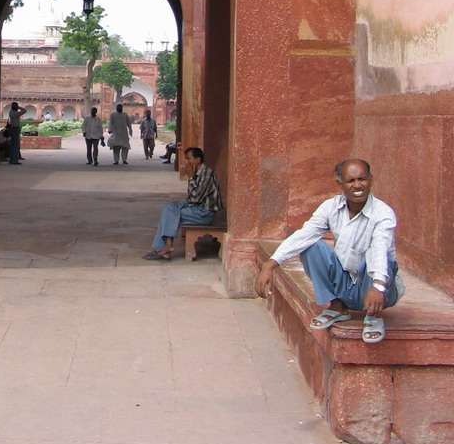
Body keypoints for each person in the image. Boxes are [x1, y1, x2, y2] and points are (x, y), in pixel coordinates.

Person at [254, 158, 404, 344]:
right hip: (346, 284)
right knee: (311, 246)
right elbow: (304, 235)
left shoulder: (383, 213)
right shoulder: (331, 207)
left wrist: (378, 285)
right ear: (340, 184)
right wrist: (270, 264)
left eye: (362, 179)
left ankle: (373, 315)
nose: (357, 185)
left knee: (377, 255)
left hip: (377, 288)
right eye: (350, 181)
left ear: (371, 180)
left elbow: (380, 248)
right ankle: (337, 306)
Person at [143, 147, 222, 259]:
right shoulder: (197, 172)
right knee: (168, 207)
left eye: (188, 159)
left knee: (170, 214)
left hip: (204, 213)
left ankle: (163, 248)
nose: (186, 162)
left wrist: (190, 177)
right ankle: (166, 245)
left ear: (197, 160)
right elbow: (190, 198)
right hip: (195, 208)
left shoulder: (207, 174)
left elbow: (195, 199)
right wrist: (192, 177)